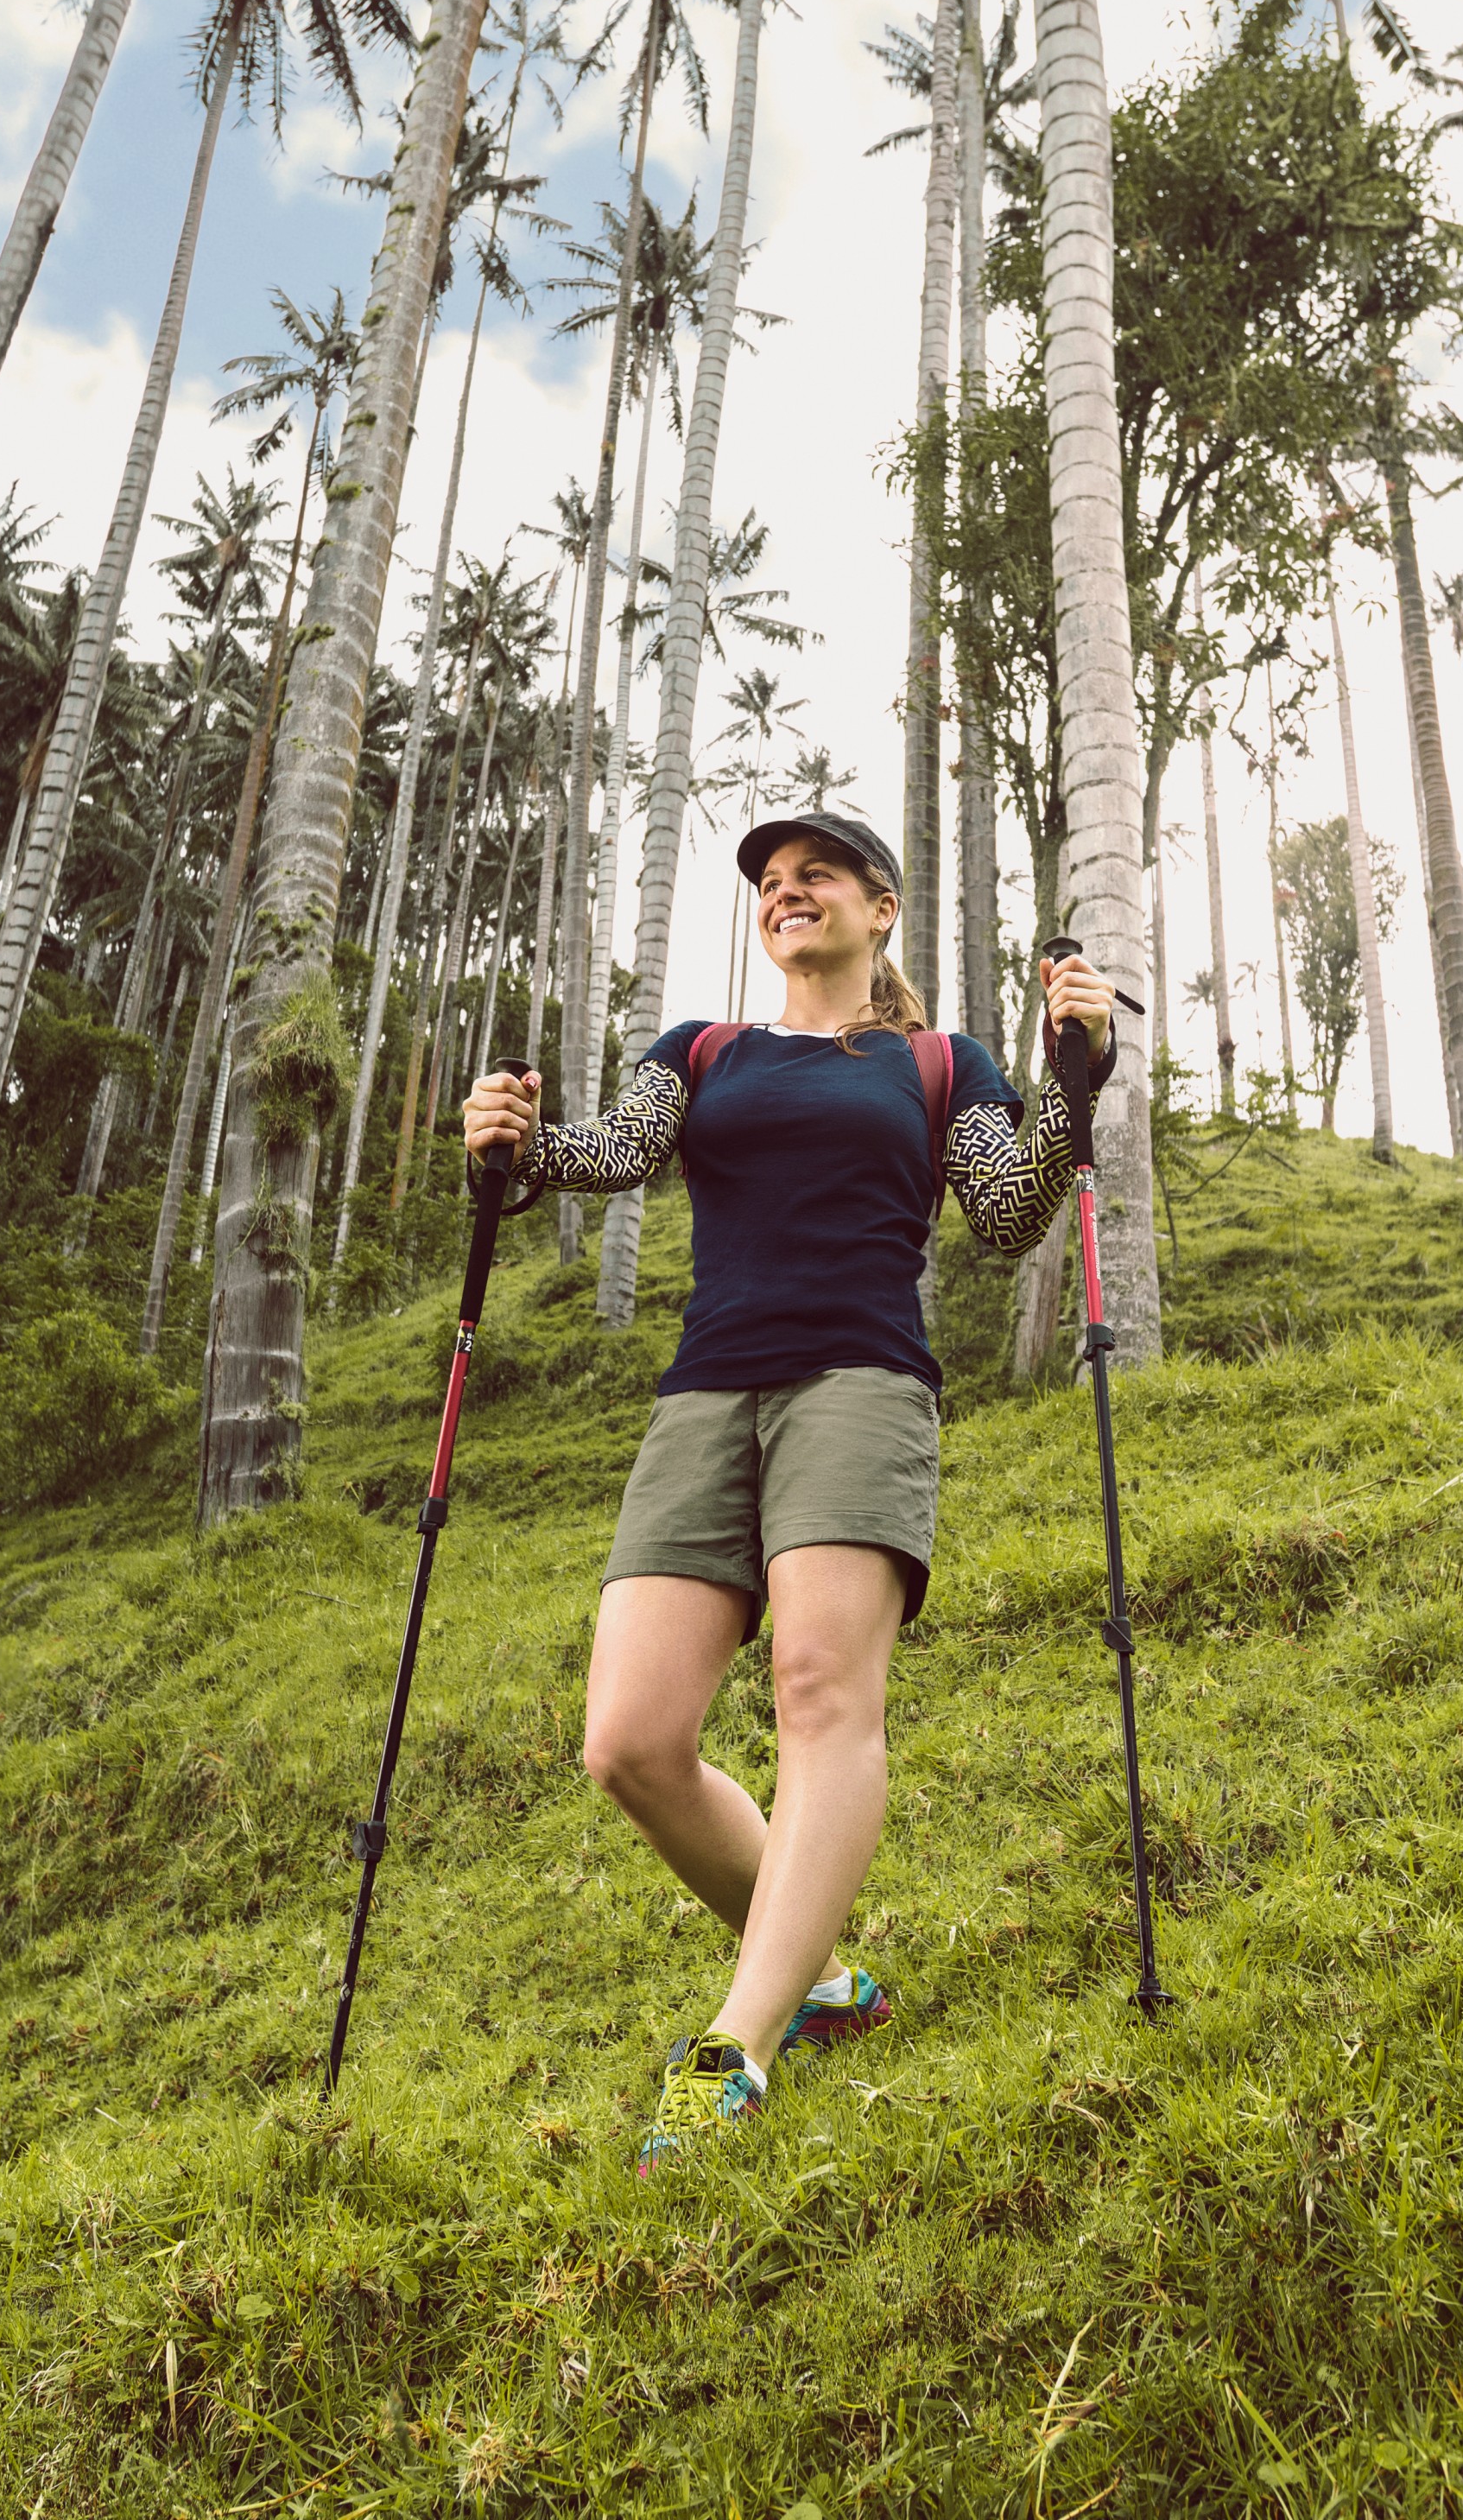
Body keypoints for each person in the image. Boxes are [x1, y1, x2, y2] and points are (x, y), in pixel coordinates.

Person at [463, 809, 1118, 2172]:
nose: (786, 892)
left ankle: (738, 2048)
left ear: (881, 910)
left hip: (860, 1383)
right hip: (708, 1392)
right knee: (630, 1741)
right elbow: (614, 1156)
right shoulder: (700, 1055)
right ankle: (817, 1975)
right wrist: (515, 1151)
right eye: (771, 882)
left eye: (815, 874)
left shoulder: (941, 1063)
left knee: (822, 1694)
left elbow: (1006, 1214)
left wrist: (1071, 1081)